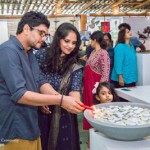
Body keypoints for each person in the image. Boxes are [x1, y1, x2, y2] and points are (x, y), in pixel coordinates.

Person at [0, 12, 84, 150]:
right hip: (15, 128)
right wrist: (61, 100)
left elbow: (40, 80)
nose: (43, 38)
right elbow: (19, 94)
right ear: (26, 29)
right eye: (41, 33)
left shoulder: (28, 52)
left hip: (32, 125)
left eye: (46, 35)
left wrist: (57, 97)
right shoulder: (8, 51)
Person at [35, 22, 84, 150]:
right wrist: (40, 100)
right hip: (43, 110)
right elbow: (35, 80)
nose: (70, 46)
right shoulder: (41, 55)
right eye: (67, 41)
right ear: (58, 39)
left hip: (64, 113)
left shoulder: (75, 63)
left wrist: (76, 103)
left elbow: (75, 88)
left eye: (74, 43)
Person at [82, 31, 110, 130]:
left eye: (91, 40)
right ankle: (90, 130)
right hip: (88, 83)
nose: (90, 42)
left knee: (96, 106)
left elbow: (105, 71)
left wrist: (101, 88)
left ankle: (98, 128)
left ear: (95, 40)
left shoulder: (103, 53)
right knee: (89, 106)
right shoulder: (93, 52)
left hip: (96, 84)